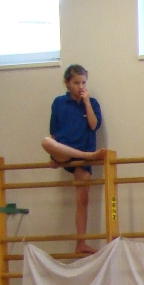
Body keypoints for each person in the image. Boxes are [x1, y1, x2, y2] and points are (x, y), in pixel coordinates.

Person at [41, 64, 107, 255]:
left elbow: (93, 125)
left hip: (83, 153)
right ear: (67, 83)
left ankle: (81, 243)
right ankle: (88, 156)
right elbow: (53, 133)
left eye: (83, 82)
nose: (80, 86)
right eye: (76, 82)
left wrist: (86, 102)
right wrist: (53, 157)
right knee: (46, 142)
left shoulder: (91, 103)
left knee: (82, 198)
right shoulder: (59, 102)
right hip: (65, 152)